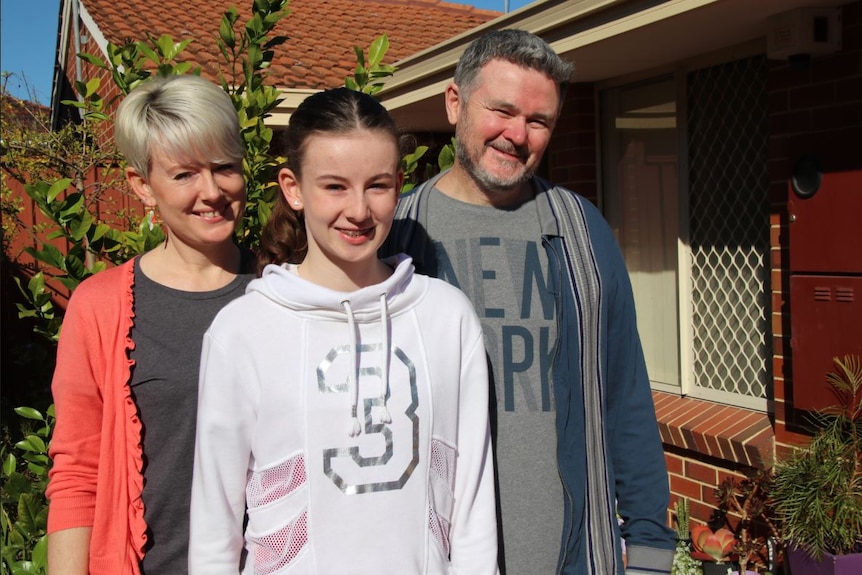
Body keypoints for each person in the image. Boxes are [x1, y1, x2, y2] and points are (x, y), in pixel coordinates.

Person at [381, 29, 677, 575]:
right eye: (502, 110)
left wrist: (651, 548)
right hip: (431, 558)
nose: (517, 134)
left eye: (539, 121)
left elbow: (626, 394)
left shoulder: (584, 233)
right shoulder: (396, 235)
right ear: (455, 103)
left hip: (570, 556)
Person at [188, 87, 498, 574]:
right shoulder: (243, 331)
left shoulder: (447, 318)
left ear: (399, 184)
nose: (358, 210)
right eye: (334, 186)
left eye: (377, 185)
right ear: (293, 188)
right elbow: (214, 525)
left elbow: (473, 504)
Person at [46, 74, 255, 575]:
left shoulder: (285, 293)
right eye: (184, 174)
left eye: (224, 167)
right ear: (143, 187)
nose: (212, 191)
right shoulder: (99, 307)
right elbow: (77, 472)